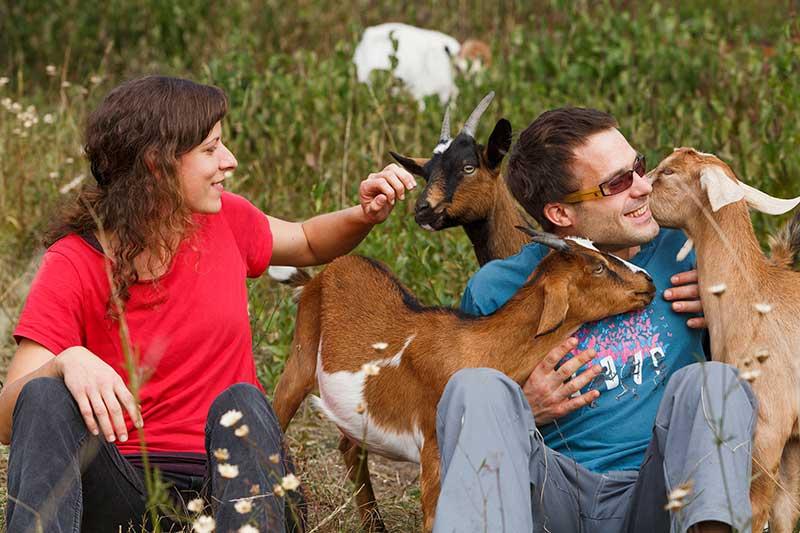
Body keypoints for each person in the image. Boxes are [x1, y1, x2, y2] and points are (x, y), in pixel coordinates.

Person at [0, 76, 416, 532]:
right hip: (127, 495)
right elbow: (12, 418)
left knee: (243, 402)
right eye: (210, 149)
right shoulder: (74, 262)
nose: (229, 161)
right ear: (157, 164)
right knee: (42, 391)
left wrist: (363, 214)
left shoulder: (225, 221)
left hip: (234, 485)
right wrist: (65, 363)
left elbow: (308, 241)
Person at [433, 108, 757, 533]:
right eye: (618, 182)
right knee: (473, 388)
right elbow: (460, 435)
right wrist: (522, 408)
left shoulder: (688, 255)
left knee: (714, 385)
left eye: (638, 167)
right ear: (561, 214)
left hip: (657, 494)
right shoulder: (498, 288)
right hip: (544, 498)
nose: (644, 187)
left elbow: (764, 364)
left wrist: (730, 302)